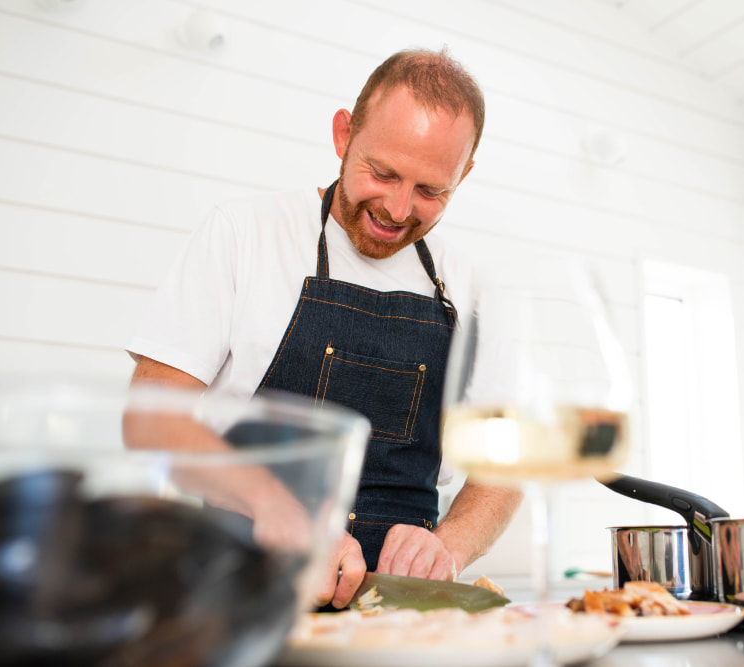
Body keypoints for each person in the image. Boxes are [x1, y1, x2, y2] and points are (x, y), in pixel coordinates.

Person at [125, 47, 523, 609]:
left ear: (465, 174)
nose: (397, 207)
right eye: (381, 172)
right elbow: (150, 419)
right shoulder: (244, 235)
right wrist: (276, 508)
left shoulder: (469, 288)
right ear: (344, 134)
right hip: (242, 594)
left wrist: (448, 548)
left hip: (403, 614)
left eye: (431, 190)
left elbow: (502, 470)